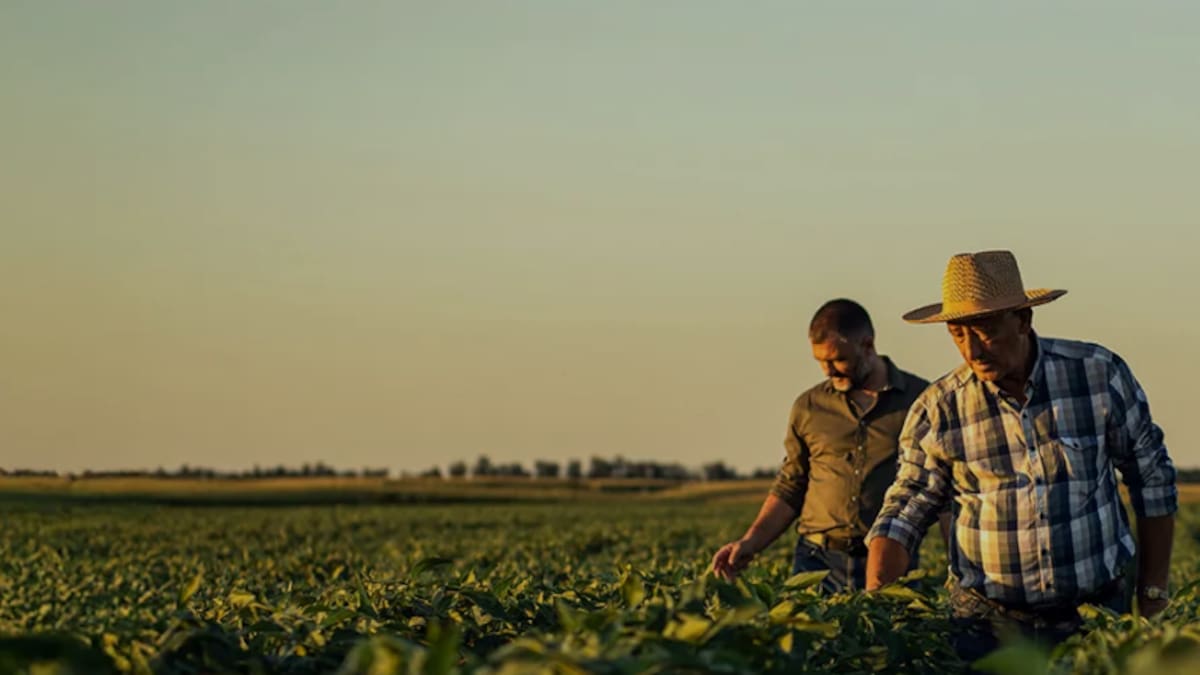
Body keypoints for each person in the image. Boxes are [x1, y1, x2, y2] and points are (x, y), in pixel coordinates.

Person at [865, 250, 1177, 664]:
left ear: (1024, 320)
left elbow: (1152, 478)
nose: (972, 350)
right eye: (957, 334)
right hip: (987, 626)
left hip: (1094, 617)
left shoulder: (1097, 374)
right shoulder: (939, 408)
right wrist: (877, 602)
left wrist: (1152, 593)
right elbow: (906, 509)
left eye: (986, 332)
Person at [711, 299, 934, 593]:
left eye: (838, 360)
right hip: (816, 562)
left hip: (890, 558)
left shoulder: (920, 400)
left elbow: (940, 487)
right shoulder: (809, 407)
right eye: (820, 361)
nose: (828, 371)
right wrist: (750, 542)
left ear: (868, 345)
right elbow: (791, 485)